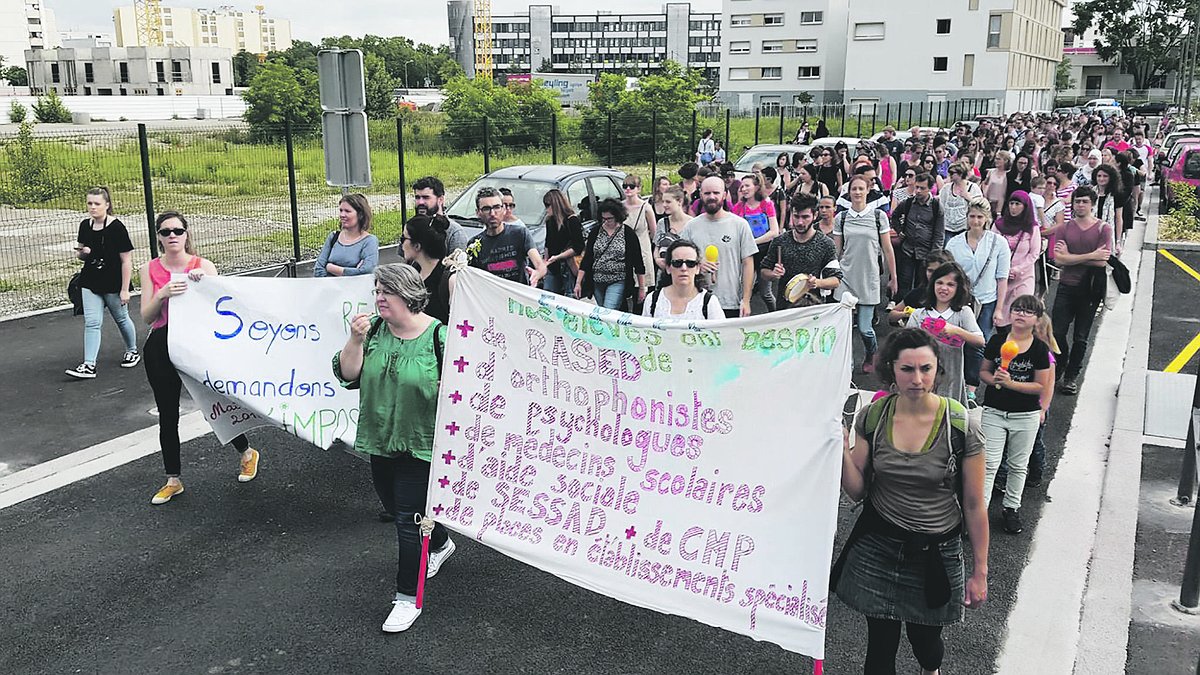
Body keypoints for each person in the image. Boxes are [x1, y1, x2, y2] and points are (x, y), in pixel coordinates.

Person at [835, 328, 988, 675]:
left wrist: (980, 571)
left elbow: (975, 505)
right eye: (907, 370)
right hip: (879, 545)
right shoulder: (873, 417)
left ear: (938, 370)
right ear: (892, 369)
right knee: (880, 647)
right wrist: (842, 451)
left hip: (935, 550)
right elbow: (857, 490)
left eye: (926, 369)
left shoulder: (961, 425)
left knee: (926, 644)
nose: (917, 379)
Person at [334, 263, 456, 633]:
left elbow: (463, 387)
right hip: (380, 437)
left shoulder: (440, 336)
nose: (379, 298)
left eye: (386, 291)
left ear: (408, 294)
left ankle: (407, 599)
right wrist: (354, 340)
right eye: (376, 290)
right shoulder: (372, 332)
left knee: (407, 520)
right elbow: (347, 375)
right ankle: (440, 543)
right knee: (394, 506)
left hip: (421, 443)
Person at [139, 212, 259, 505]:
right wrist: (163, 293)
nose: (172, 236)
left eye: (177, 230)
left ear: (186, 233)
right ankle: (173, 479)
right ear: (158, 236)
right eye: (166, 232)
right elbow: (146, 316)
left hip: (196, 345)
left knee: (212, 405)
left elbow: (219, 314)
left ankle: (246, 451)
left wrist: (203, 285)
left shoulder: (203, 266)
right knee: (168, 415)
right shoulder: (149, 269)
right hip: (161, 345)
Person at [979, 294, 1053, 535]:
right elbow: (984, 373)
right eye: (1017, 309)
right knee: (989, 464)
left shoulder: (1040, 349)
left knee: (1018, 465)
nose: (1021, 314)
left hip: (1025, 415)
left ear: (1036, 319)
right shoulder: (997, 341)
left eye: (1028, 311)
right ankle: (980, 511)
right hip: (994, 410)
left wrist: (1011, 384)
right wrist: (995, 381)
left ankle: (1011, 508)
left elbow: (1039, 386)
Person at [66, 186, 140, 379]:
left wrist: (125, 289)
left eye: (97, 204)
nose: (92, 207)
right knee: (92, 322)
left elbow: (126, 260)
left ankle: (132, 350)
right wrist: (83, 253)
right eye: (89, 203)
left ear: (107, 205)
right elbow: (80, 255)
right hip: (90, 280)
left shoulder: (117, 228)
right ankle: (89, 364)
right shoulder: (85, 225)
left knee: (121, 318)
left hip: (113, 281)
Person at [946, 197, 1011, 399]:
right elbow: (949, 272)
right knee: (954, 340)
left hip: (986, 299)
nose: (975, 221)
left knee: (978, 341)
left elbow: (1002, 277)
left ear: (987, 219)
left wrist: (1000, 308)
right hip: (960, 299)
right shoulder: (954, 243)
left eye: (979, 217)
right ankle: (953, 378)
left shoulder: (998, 243)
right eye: (972, 216)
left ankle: (971, 386)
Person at [1051, 186, 1113, 395]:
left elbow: (1103, 261)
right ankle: (1060, 363)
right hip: (1066, 286)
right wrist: (1090, 255)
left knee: (1081, 337)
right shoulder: (1064, 228)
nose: (1080, 205)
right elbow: (1058, 259)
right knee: (1057, 332)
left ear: (1092, 204)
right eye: (1077, 201)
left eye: (1085, 201)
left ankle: (1071, 376)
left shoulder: (1103, 229)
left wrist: (1072, 257)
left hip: (1090, 289)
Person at [834, 175, 899, 372]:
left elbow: (887, 249)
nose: (857, 192)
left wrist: (893, 277)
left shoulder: (878, 217)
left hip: (869, 277)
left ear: (867, 190)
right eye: (854, 189)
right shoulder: (842, 218)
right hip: (846, 277)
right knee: (843, 327)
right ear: (849, 192)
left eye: (861, 189)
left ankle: (872, 352)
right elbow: (837, 251)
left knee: (864, 328)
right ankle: (847, 363)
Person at [906, 263, 985, 405]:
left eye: (950, 284)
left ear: (958, 289)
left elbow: (980, 341)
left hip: (951, 379)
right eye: (939, 283)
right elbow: (903, 345)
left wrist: (956, 331)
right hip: (921, 379)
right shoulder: (919, 314)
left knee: (949, 418)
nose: (944, 288)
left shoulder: (963, 313)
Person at [680, 176, 758, 318]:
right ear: (701, 194)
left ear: (724, 194)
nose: (712, 197)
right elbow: (680, 260)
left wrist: (746, 300)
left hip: (730, 302)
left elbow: (748, 264)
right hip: (697, 302)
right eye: (707, 193)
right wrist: (697, 265)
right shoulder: (691, 227)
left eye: (716, 193)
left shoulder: (739, 225)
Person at [760, 194, 841, 309]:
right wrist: (773, 274)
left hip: (813, 308)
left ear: (815, 215)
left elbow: (836, 280)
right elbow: (764, 270)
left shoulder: (826, 244)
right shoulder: (780, 241)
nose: (800, 222)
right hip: (785, 308)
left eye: (805, 217)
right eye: (796, 216)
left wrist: (816, 283)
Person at [466, 187, 547, 287]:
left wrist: (537, 274)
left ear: (503, 209)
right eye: (486, 209)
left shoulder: (520, 233)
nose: (492, 214)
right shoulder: (474, 244)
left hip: (517, 296)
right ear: (478, 212)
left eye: (497, 207)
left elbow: (540, 265)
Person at [576, 198, 646, 310]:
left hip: (618, 279)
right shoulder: (595, 232)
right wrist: (578, 283)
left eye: (609, 219)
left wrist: (642, 288)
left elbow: (638, 263)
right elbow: (587, 259)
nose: (606, 222)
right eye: (603, 218)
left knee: (608, 310)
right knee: (602, 310)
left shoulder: (628, 234)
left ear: (617, 216)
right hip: (597, 280)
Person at [890, 173, 945, 299]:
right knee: (904, 282)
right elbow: (894, 216)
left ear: (930, 188)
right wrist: (899, 231)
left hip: (926, 252)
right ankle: (901, 311)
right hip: (908, 249)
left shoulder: (936, 207)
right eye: (917, 187)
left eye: (922, 188)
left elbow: (939, 234)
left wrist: (934, 256)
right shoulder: (908, 203)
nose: (918, 191)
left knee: (922, 285)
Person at [732, 173, 781, 312]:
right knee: (744, 289)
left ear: (757, 187)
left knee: (765, 292)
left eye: (747, 185)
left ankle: (775, 314)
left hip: (764, 251)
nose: (744, 189)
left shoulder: (767, 204)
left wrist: (753, 242)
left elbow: (774, 231)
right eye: (742, 186)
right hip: (745, 253)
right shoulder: (739, 207)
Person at [642, 239, 723, 320]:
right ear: (668, 268)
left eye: (690, 263)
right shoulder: (652, 300)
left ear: (698, 268)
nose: (684, 268)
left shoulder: (710, 302)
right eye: (677, 263)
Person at [994, 191, 1042, 327]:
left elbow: (1034, 253)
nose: (1013, 207)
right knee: (1001, 318)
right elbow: (991, 248)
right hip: (1001, 277)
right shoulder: (998, 225)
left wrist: (1018, 269)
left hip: (1023, 276)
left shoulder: (1032, 228)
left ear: (1025, 207)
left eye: (1017, 204)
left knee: (1021, 311)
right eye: (1011, 203)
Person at [399, 214, 455, 324]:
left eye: (403, 239)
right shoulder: (412, 272)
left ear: (417, 246)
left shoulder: (449, 279)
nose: (401, 244)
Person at [313, 194, 380, 278]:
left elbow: (366, 271)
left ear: (360, 214)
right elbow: (318, 269)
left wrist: (331, 268)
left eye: (347, 211)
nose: (342, 215)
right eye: (341, 210)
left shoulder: (369, 241)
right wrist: (352, 271)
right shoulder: (333, 237)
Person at [621, 174, 658, 305]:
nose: (628, 189)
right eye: (625, 186)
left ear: (639, 189)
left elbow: (654, 233)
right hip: (623, 251)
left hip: (642, 249)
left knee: (641, 293)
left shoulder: (646, 207)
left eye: (632, 186)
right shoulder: (619, 207)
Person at [541, 188, 584, 298]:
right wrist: (545, 262)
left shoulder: (572, 220)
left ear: (556, 205)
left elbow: (578, 246)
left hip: (568, 266)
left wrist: (558, 257)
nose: (546, 209)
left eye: (548, 205)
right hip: (553, 266)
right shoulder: (550, 221)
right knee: (547, 297)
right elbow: (548, 242)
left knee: (568, 299)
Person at [412, 176, 469, 254]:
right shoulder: (412, 227)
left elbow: (457, 265)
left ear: (440, 199)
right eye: (417, 197)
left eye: (426, 197)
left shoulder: (454, 233)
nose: (420, 202)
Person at [653, 185, 692, 286]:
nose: (664, 205)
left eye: (668, 202)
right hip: (664, 274)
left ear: (679, 201)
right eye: (663, 201)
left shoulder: (692, 224)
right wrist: (657, 260)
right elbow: (657, 246)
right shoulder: (662, 223)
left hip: (684, 274)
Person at [939, 162, 983, 245]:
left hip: (964, 227)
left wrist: (968, 197)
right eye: (949, 173)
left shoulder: (973, 188)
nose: (950, 175)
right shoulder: (946, 188)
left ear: (961, 173)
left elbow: (980, 207)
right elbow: (940, 207)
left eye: (952, 173)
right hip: (948, 227)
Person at [982, 150, 1011, 216]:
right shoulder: (991, 172)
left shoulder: (1008, 174)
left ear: (1006, 161)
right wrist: (985, 194)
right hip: (989, 202)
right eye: (996, 158)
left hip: (1001, 205)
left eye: (999, 159)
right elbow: (984, 183)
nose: (996, 161)